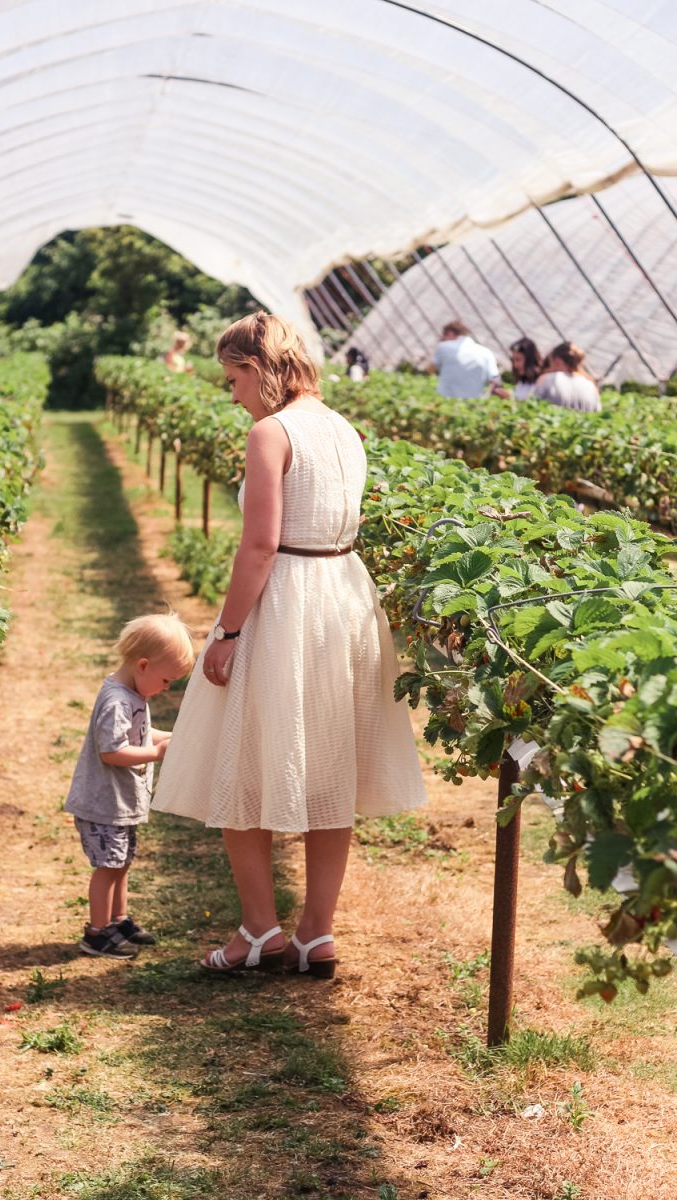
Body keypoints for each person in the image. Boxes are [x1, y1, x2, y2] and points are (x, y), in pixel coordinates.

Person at [151, 311, 426, 977]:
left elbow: (260, 545)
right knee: (332, 762)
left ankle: (259, 929)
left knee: (240, 755)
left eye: (233, 380)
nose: (233, 396)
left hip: (286, 599)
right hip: (345, 594)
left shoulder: (270, 433)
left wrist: (228, 632)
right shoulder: (343, 429)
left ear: (258, 368)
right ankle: (316, 934)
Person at [65, 613, 195, 958]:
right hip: (104, 804)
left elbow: (140, 733)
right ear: (143, 665)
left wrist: (170, 738)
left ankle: (118, 920)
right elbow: (112, 751)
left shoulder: (133, 694)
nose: (166, 689)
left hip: (120, 803)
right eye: (166, 680)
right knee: (108, 867)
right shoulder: (117, 702)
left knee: (121, 863)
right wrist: (156, 753)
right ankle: (97, 933)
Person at [431, 320, 502, 399]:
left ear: (450, 333)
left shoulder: (443, 346)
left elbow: (432, 368)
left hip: (444, 400)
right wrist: (486, 396)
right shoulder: (486, 352)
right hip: (475, 401)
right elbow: (495, 378)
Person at [532, 342, 601, 412]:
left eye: (550, 363)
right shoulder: (591, 386)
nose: (550, 368)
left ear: (557, 361)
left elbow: (532, 406)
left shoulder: (547, 379)